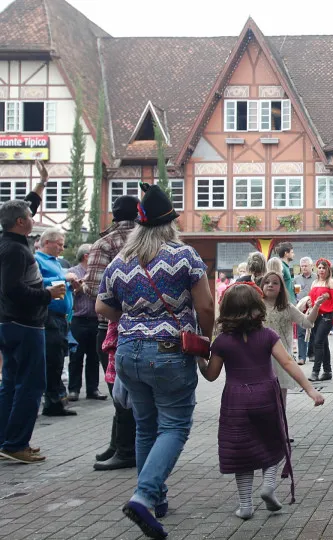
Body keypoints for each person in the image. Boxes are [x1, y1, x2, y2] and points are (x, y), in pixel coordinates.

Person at [96, 183, 215, 538]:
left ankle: (156, 498)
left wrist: (133, 316)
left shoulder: (121, 260)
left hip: (128, 353)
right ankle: (144, 496)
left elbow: (102, 306)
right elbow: (206, 306)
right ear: (170, 223)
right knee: (174, 426)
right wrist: (205, 339)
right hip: (168, 352)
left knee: (146, 426)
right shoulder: (185, 256)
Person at [199, 282, 324, 520]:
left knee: (241, 452)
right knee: (273, 441)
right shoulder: (267, 335)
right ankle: (268, 486)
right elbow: (287, 362)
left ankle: (245, 505)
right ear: (258, 307)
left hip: (235, 399)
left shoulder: (222, 341)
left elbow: (212, 375)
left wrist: (199, 359)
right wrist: (310, 390)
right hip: (266, 396)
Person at [0, 165, 61, 464]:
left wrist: (42, 183)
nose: (33, 217)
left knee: (11, 383)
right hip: (24, 324)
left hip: (10, 323)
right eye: (29, 216)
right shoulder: (15, 251)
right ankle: (16, 444)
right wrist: (48, 294)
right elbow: (13, 289)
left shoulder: (8, 238)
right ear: (21, 222)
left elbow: (27, 204)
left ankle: (6, 440)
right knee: (30, 384)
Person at [84, 194, 139, 471]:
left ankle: (126, 450)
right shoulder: (151, 239)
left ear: (114, 215)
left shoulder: (105, 243)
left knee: (118, 390)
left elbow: (95, 288)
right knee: (135, 389)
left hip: (111, 327)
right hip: (149, 325)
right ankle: (118, 443)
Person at [261, 271, 321, 404]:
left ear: (281, 288)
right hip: (261, 358)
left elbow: (307, 323)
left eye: (275, 283)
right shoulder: (256, 307)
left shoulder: (287, 307)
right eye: (267, 282)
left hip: (283, 358)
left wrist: (316, 306)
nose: (270, 285)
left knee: (280, 399)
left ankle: (281, 417)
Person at [36, 228, 77, 417]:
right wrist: (63, 278)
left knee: (58, 358)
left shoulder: (56, 262)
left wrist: (72, 285)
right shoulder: (37, 260)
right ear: (47, 242)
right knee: (52, 359)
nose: (62, 248)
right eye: (59, 244)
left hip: (61, 318)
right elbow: (37, 282)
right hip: (49, 315)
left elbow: (58, 286)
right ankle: (52, 402)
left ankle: (56, 401)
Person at [67, 244, 106, 401]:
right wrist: (77, 289)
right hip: (78, 319)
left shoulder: (99, 273)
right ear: (86, 256)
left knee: (94, 356)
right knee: (76, 356)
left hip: (96, 319)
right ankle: (74, 389)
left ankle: (93, 389)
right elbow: (66, 295)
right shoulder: (72, 273)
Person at [307, 259, 333, 382]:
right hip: (316, 315)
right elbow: (311, 298)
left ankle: (315, 371)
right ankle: (327, 371)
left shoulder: (331, 282)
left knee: (318, 342)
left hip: (327, 315)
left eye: (323, 268)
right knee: (323, 343)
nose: (321, 270)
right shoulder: (314, 282)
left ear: (328, 269)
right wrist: (309, 302)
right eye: (319, 268)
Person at [293, 257, 316, 365]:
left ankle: (311, 354)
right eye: (302, 266)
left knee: (313, 331)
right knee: (301, 332)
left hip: (313, 308)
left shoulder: (316, 278)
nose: (304, 268)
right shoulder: (296, 279)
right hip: (301, 308)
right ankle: (301, 357)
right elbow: (293, 293)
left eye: (306, 266)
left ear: (311, 266)